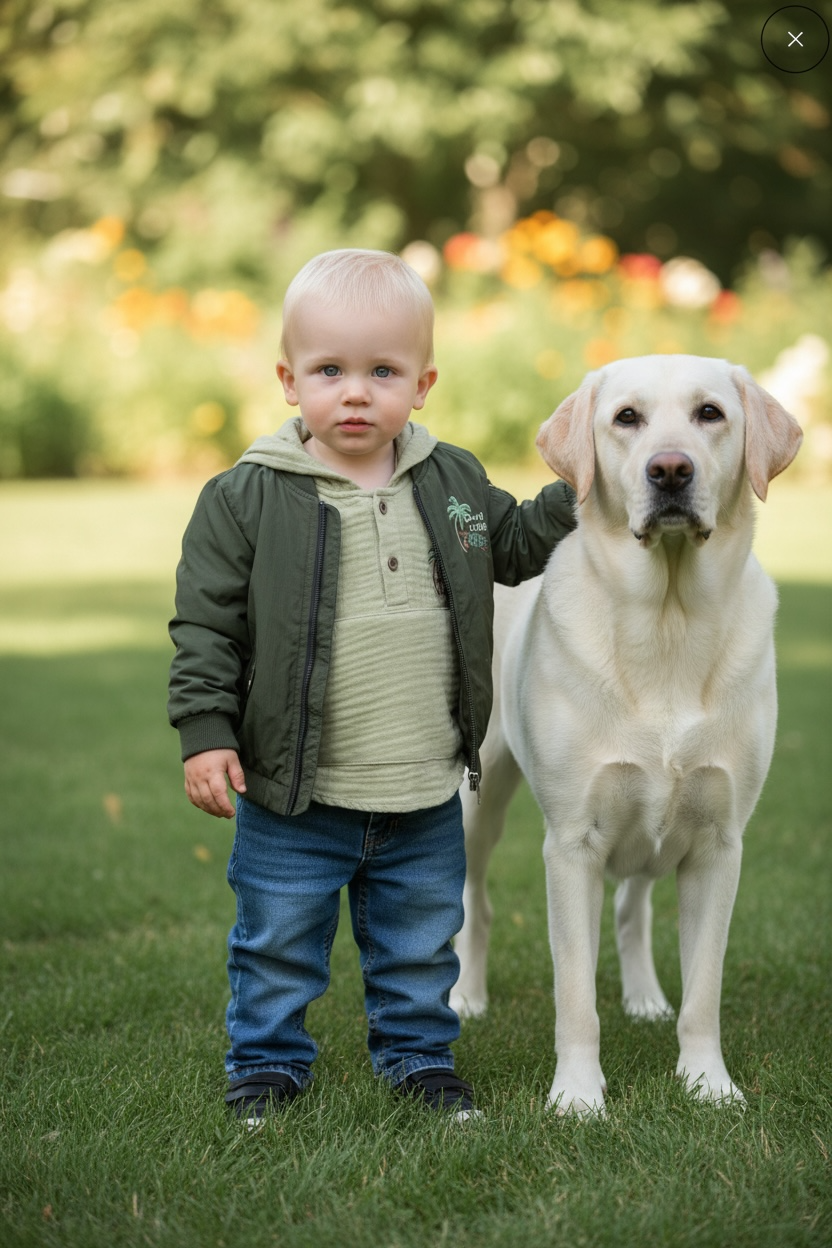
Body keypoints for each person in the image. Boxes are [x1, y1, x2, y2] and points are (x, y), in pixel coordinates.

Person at [168, 248, 577, 1127]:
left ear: (422, 385)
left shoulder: (453, 481)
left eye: (382, 372)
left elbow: (511, 546)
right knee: (277, 941)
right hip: (295, 788)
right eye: (330, 371)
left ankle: (419, 1057)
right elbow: (205, 625)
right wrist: (206, 731)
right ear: (289, 379)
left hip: (422, 784)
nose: (355, 393)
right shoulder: (245, 498)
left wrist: (582, 489)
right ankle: (266, 1066)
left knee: (420, 943)